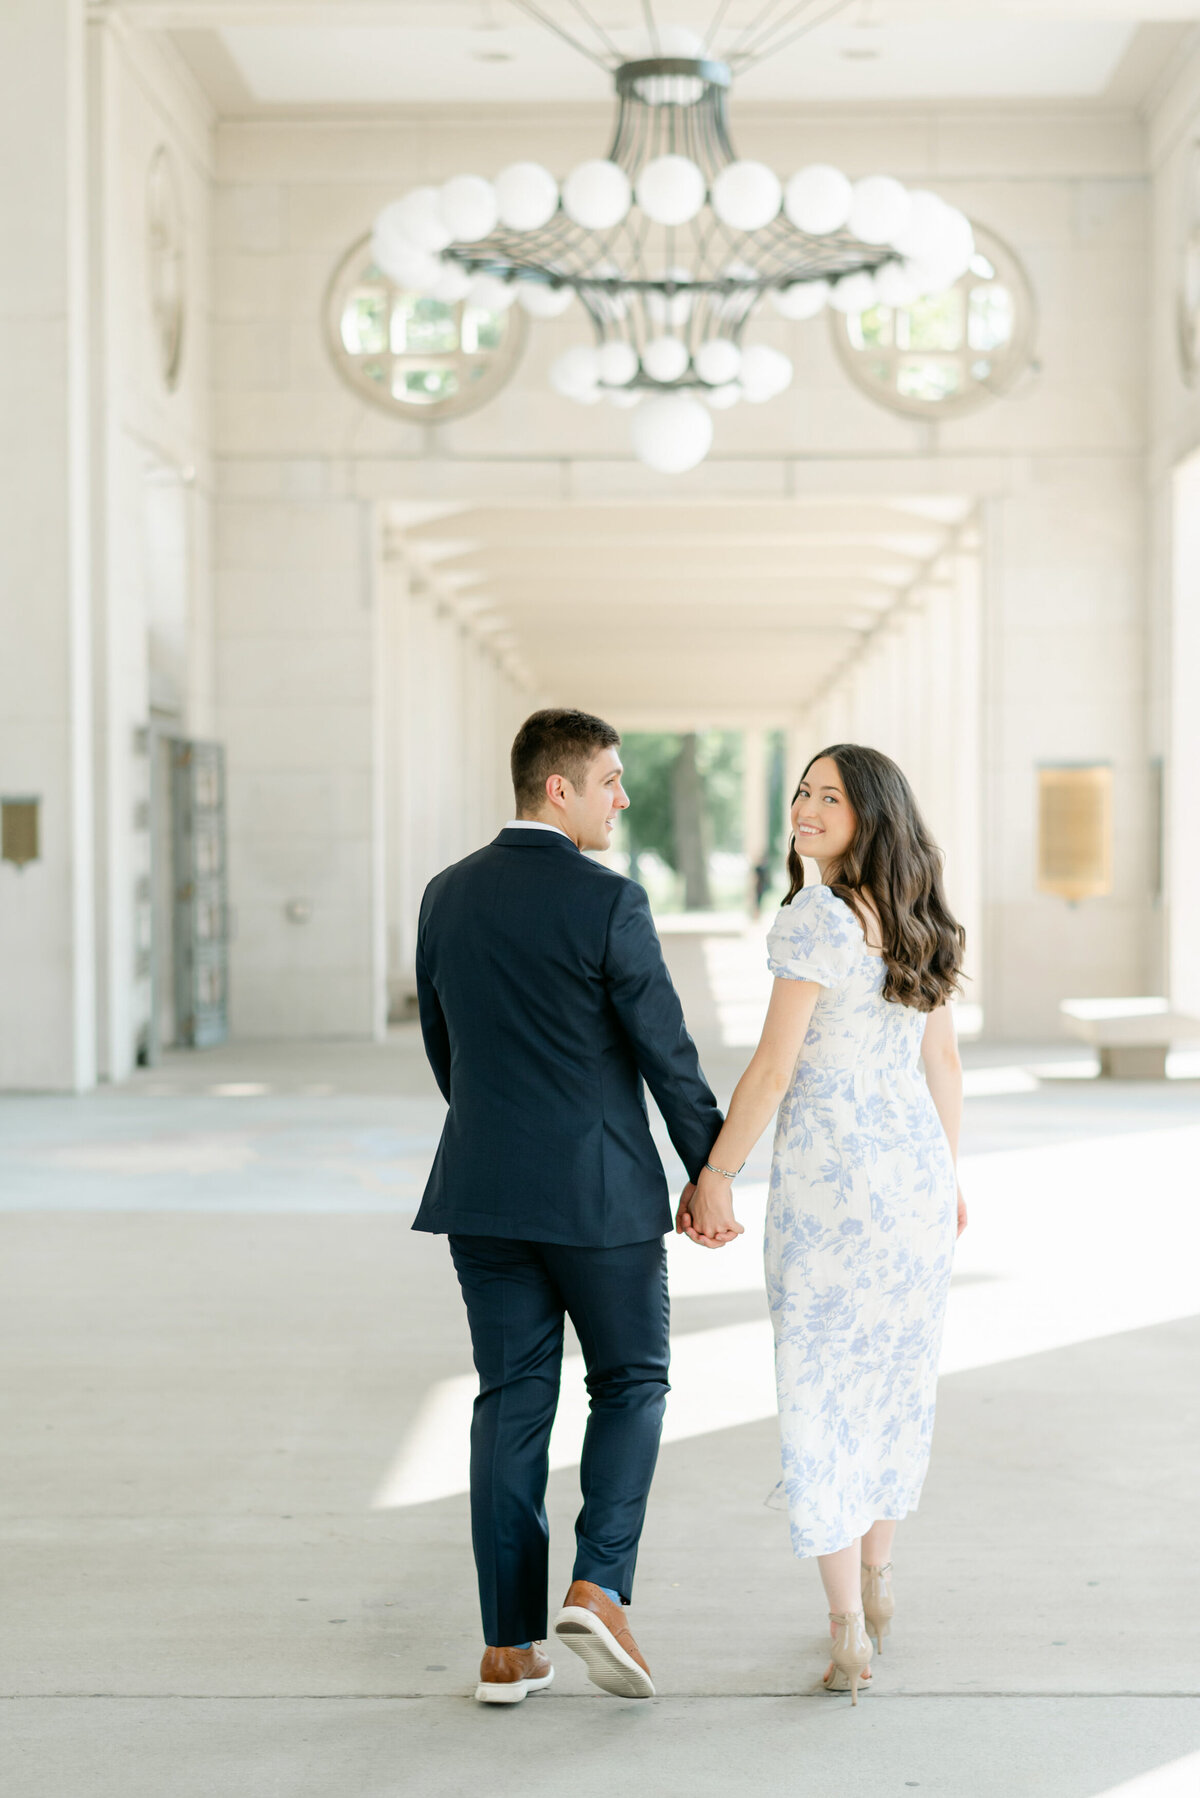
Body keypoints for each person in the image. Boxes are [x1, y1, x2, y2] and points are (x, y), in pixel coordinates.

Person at [413, 708, 725, 1705]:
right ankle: (599, 1583)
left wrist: (497, 1130)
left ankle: (508, 1648)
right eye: (611, 780)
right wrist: (710, 1170)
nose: (622, 798)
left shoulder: (444, 895)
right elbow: (665, 1055)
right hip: (600, 1202)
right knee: (631, 1381)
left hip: (483, 1191)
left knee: (510, 1400)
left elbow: (444, 1049)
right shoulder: (610, 902)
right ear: (560, 787)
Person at [679, 744, 967, 1704]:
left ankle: (848, 1627)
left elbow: (773, 1068)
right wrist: (951, 1179)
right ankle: (880, 1584)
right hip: (915, 1183)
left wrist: (719, 1173)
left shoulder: (816, 917)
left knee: (822, 1392)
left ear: (868, 814)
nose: (803, 808)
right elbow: (944, 1072)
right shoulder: (921, 920)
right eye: (800, 791)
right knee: (890, 1384)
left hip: (831, 1188)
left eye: (826, 797)